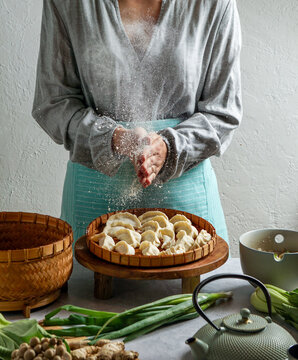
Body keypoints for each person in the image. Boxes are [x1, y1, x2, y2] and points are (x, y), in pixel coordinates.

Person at [32, 0, 242, 243]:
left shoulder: (215, 4)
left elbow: (223, 112)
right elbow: (54, 102)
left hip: (189, 218)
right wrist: (114, 139)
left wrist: (168, 148)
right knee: (88, 282)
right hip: (92, 211)